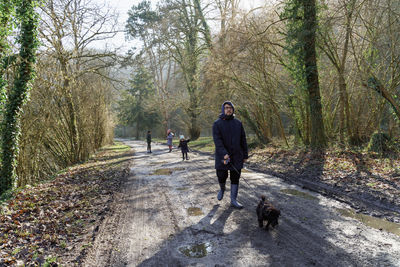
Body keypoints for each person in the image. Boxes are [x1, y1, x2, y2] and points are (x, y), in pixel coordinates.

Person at [212, 101, 248, 209]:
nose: (229, 109)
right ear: (223, 109)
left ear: (233, 110)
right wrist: (224, 154)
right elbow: (217, 141)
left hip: (237, 155)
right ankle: (222, 189)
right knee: (221, 176)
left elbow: (243, 140)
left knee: (235, 177)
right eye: (227, 108)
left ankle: (233, 200)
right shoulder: (217, 124)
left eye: (231, 108)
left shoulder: (238, 123)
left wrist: (245, 155)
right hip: (222, 156)